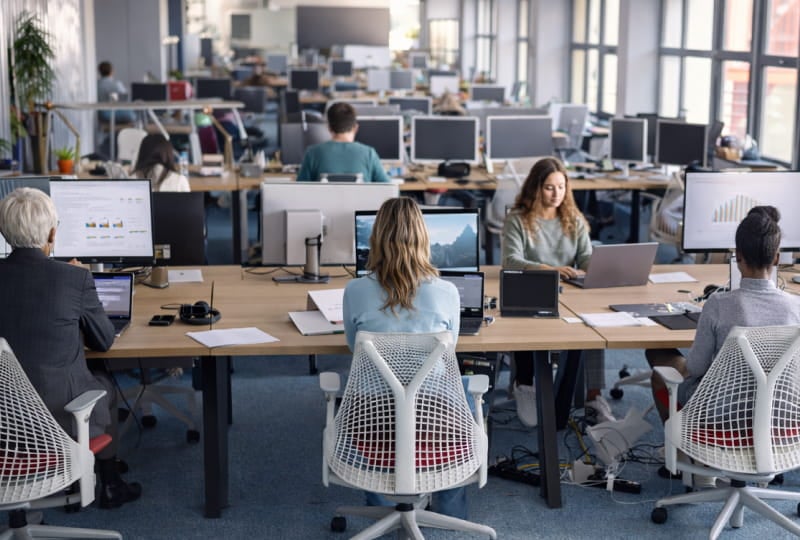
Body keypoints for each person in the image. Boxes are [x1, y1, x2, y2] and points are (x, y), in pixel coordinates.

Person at [0, 188, 142, 509]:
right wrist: (80, 281)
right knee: (103, 383)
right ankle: (109, 483)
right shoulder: (73, 279)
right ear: (52, 233)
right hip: (56, 422)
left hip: (3, 426)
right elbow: (103, 341)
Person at [342, 197, 467, 519]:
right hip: (434, 421)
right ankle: (450, 514)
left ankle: (383, 510)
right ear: (423, 237)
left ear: (376, 239)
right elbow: (449, 350)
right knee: (466, 391)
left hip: (371, 424)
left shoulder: (355, 290)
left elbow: (353, 347)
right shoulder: (448, 292)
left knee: (361, 396)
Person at [647, 206, 800, 422]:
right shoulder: (797, 307)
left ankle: (680, 449)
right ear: (776, 258)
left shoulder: (718, 304)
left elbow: (695, 368)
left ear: (738, 256)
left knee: (659, 360)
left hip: (722, 417)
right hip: (784, 418)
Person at [501, 157, 613, 425]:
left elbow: (584, 257)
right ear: (536, 188)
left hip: (569, 291)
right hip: (530, 290)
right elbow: (511, 261)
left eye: (561, 187)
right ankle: (524, 386)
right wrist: (549, 269)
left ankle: (593, 395)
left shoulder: (572, 218)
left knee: (593, 327)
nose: (556, 194)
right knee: (526, 322)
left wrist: (601, 265)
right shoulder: (518, 219)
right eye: (550, 187)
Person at [296, 102, 390, 183]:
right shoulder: (369, 154)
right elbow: (389, 190)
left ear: (329, 128)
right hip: (361, 204)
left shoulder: (312, 153)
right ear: (355, 128)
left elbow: (299, 190)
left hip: (324, 204)